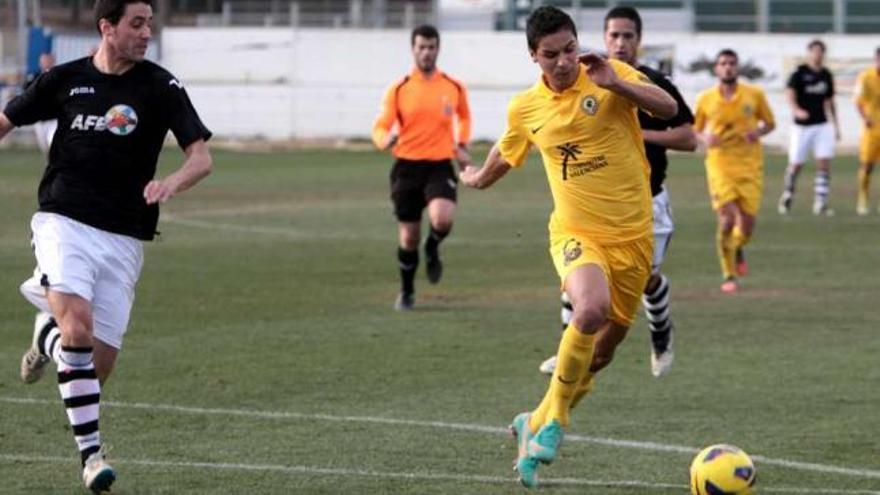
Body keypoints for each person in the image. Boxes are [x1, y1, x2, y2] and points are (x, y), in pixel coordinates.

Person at [0, 0, 213, 491]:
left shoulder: (161, 86)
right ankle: (92, 457)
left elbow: (201, 158)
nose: (146, 33)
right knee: (77, 325)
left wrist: (171, 183)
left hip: (123, 236)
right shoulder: (64, 81)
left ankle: (43, 339)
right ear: (107, 27)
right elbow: (7, 121)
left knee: (95, 366)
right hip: (63, 220)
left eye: (150, 24)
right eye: (136, 24)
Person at [460, 6, 676, 487]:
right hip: (577, 233)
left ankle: (532, 422)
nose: (563, 62)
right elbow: (507, 149)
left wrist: (618, 85)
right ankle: (556, 422)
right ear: (533, 56)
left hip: (634, 238)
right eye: (551, 55)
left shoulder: (609, 74)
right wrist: (476, 179)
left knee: (601, 355)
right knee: (590, 309)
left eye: (570, 49)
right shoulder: (527, 108)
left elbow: (668, 108)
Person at [538, 5, 696, 379]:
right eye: (614, 35)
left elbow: (689, 137)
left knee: (644, 279)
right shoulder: (585, 78)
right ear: (604, 38)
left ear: (639, 41)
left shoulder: (650, 81)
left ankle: (661, 333)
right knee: (579, 272)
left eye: (628, 36)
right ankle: (569, 350)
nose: (620, 42)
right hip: (593, 206)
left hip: (646, 203)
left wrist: (641, 133)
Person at [371, 24, 473, 311]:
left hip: (440, 164)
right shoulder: (400, 88)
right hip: (407, 167)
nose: (427, 52)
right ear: (413, 50)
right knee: (408, 237)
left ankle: (434, 245)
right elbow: (380, 126)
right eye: (421, 47)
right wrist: (384, 139)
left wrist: (461, 143)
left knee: (442, 219)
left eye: (431, 47)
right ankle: (406, 291)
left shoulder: (452, 87)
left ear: (438, 49)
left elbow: (464, 116)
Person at [693, 49, 775, 294]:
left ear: (737, 67)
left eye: (731, 63)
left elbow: (770, 123)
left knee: (746, 226)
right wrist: (705, 137)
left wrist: (757, 133)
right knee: (727, 218)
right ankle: (728, 274)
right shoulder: (705, 99)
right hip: (720, 165)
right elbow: (694, 129)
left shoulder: (754, 95)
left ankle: (738, 246)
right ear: (716, 69)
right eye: (723, 63)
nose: (727, 67)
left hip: (750, 166)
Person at [778, 40, 839, 216]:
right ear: (809, 53)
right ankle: (788, 193)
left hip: (822, 124)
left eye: (821, 51)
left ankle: (820, 202)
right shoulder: (800, 73)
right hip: (802, 127)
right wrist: (796, 110)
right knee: (796, 163)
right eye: (815, 51)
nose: (817, 54)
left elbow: (830, 100)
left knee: (824, 162)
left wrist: (836, 124)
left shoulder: (826, 75)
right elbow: (790, 93)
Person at [855, 47, 880, 215]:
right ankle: (863, 198)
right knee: (867, 166)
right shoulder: (866, 77)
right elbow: (858, 101)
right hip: (872, 129)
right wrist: (865, 118)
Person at [30, 53, 59, 154]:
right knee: (45, 149)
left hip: (54, 120)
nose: (45, 63)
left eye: (48, 60)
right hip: (39, 120)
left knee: (53, 145)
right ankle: (51, 168)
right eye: (43, 61)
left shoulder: (58, 77)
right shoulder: (34, 78)